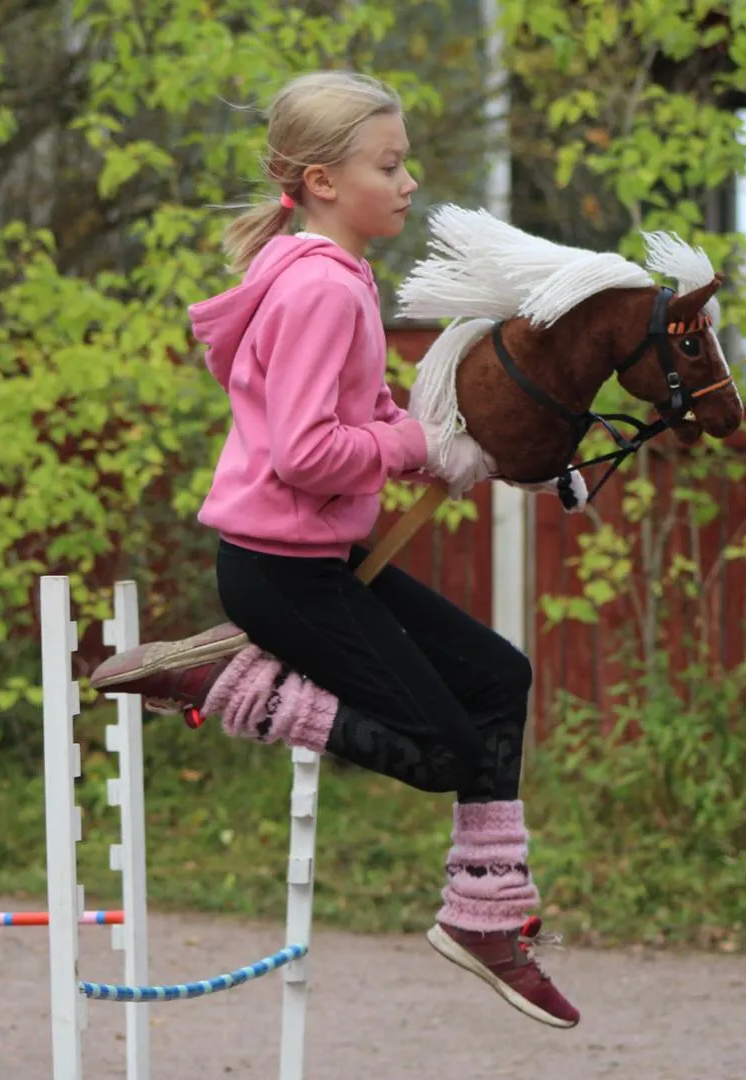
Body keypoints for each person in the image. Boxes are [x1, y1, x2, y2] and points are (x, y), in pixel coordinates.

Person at [90, 70, 579, 1029]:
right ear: (319, 180)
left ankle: (487, 917)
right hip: (282, 576)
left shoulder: (336, 277)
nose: (409, 183)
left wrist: (455, 442)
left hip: (313, 565)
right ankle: (225, 682)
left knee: (497, 679)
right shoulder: (320, 289)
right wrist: (409, 447)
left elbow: (356, 412)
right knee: (443, 751)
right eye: (388, 165)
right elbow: (309, 455)